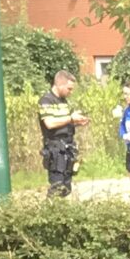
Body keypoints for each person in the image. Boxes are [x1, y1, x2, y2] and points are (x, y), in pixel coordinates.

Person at [38, 69, 87, 199]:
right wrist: (71, 118)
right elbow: (50, 123)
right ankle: (50, 212)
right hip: (55, 150)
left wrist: (76, 122)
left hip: (68, 148)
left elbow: (62, 123)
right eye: (69, 89)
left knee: (66, 187)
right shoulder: (46, 100)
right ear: (59, 84)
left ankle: (60, 214)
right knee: (57, 187)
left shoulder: (63, 101)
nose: (70, 93)